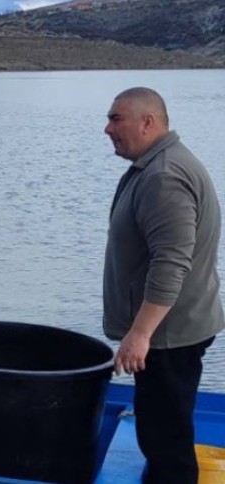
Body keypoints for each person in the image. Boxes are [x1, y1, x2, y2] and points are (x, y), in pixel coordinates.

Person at [103, 86, 224, 484]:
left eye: (116, 118)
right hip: (172, 328)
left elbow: (171, 262)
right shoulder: (158, 165)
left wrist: (140, 334)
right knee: (162, 428)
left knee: (165, 439)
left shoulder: (164, 176)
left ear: (148, 122)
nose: (107, 128)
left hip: (168, 335)